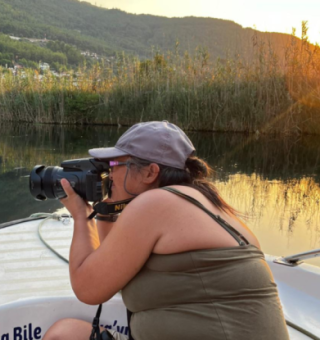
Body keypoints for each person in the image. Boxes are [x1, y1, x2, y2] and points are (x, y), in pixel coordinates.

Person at [43, 121, 289, 340]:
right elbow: (112, 276)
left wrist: (80, 215)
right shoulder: (208, 203)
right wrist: (106, 208)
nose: (109, 174)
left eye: (115, 164)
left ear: (150, 172)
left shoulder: (154, 205)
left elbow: (89, 288)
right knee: (66, 334)